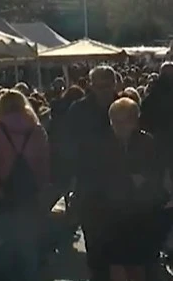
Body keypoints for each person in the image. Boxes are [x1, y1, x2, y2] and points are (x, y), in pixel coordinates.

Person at [0, 89, 51, 281]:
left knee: (3, 250)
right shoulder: (37, 130)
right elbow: (45, 164)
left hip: (3, 195)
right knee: (29, 249)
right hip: (30, 195)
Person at [64, 66, 121, 281]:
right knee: (95, 243)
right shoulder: (79, 109)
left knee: (118, 245)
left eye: (107, 85)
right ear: (91, 85)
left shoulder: (123, 106)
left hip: (120, 186)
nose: (104, 90)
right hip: (90, 185)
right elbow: (69, 145)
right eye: (99, 85)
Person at [101, 97, 166, 281]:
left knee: (138, 264)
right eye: (115, 122)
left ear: (135, 121)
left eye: (125, 122)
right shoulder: (103, 143)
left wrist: (143, 181)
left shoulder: (147, 142)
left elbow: (156, 176)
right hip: (111, 214)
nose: (120, 127)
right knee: (116, 263)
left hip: (140, 214)